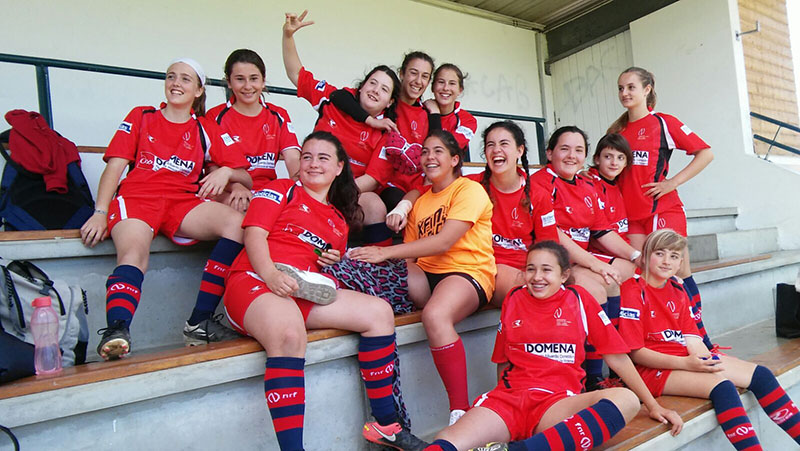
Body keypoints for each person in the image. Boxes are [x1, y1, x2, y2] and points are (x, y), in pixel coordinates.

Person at [223, 131, 426, 450]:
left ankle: (386, 425)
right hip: (255, 280)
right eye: (306, 157)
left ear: (338, 168)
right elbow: (255, 237)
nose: (313, 163)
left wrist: (329, 261)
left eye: (322, 158)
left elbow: (323, 263)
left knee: (379, 312)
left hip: (299, 288)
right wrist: (270, 273)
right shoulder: (280, 189)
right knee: (290, 334)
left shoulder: (338, 220)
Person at [424, 241, 682, 451]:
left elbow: (618, 358)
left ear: (564, 275)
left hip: (556, 403)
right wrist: (495, 411)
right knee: (446, 441)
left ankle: (518, 450)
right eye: (530, 269)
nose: (537, 277)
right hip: (510, 401)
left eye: (546, 270)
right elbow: (503, 362)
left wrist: (653, 405)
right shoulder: (514, 298)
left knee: (625, 399)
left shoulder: (581, 300)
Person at [79, 58, 252, 359]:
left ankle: (199, 321)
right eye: (171, 76)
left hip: (182, 202)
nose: (176, 83)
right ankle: (118, 329)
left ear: (199, 90)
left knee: (238, 226)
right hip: (137, 199)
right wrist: (100, 211)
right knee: (134, 254)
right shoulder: (142, 116)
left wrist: (229, 176)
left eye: (186, 79)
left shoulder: (205, 127)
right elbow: (116, 166)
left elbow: (245, 174)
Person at [350, 130, 495, 426]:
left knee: (435, 315)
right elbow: (410, 260)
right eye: (425, 152)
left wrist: (384, 252)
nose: (429, 157)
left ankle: (459, 412)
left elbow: (444, 242)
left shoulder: (469, 189)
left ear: (455, 159)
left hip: (467, 272)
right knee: (370, 272)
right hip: (427, 274)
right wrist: (378, 262)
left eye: (438, 151)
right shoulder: (420, 201)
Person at [617, 229, 800, 450]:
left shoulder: (677, 288)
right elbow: (635, 353)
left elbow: (692, 338)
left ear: (680, 263)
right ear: (645, 257)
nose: (666, 261)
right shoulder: (633, 291)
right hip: (652, 370)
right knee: (723, 387)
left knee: (761, 375)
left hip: (685, 360)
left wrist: (704, 362)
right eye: (660, 254)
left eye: (674, 256)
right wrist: (688, 364)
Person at [609, 67, 715, 348]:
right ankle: (656, 340)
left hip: (662, 210)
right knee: (641, 274)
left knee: (679, 273)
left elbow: (706, 153)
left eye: (631, 87)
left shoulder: (663, 123)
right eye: (620, 88)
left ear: (647, 89)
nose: (624, 93)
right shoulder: (617, 130)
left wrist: (673, 182)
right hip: (630, 216)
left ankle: (701, 340)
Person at [530, 126, 640, 387]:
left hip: (580, 257)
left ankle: (613, 364)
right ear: (549, 152)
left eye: (578, 150)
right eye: (564, 149)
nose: (572, 156)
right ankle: (592, 376)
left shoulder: (585, 185)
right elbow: (554, 235)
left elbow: (602, 231)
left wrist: (637, 254)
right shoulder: (541, 182)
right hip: (553, 260)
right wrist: (595, 263)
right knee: (598, 288)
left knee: (625, 270)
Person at [281, 10, 400, 247]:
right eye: (372, 83)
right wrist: (288, 36)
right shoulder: (334, 100)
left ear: (390, 102)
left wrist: (336, 192)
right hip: (311, 182)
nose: (375, 90)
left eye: (384, 89)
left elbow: (373, 179)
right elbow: (296, 74)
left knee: (375, 204)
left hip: (348, 193)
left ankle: (380, 268)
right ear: (362, 85)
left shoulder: (387, 132)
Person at [465, 121, 558, 306]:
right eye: (490, 145)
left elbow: (549, 246)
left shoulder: (538, 195)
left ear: (519, 150)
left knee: (576, 287)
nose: (496, 150)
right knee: (531, 291)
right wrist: (404, 205)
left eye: (504, 144)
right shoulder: (470, 186)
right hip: (485, 268)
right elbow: (427, 190)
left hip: (527, 270)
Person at [205, 48, 301, 212]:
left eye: (254, 78)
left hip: (268, 193)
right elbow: (212, 167)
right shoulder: (215, 116)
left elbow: (293, 159)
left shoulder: (278, 115)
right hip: (229, 191)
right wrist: (236, 186)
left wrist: (300, 189)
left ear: (263, 81)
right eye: (240, 79)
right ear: (229, 82)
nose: (248, 86)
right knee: (240, 207)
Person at [583, 133, 633, 326]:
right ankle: (616, 331)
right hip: (594, 251)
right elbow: (597, 234)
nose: (614, 163)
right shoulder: (590, 183)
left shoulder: (620, 185)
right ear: (597, 159)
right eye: (608, 156)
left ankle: (632, 332)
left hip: (616, 249)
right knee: (633, 273)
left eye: (620, 158)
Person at [424, 63, 477, 152]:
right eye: (441, 82)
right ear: (432, 87)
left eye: (452, 83)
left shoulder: (468, 120)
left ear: (460, 90)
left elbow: (444, 150)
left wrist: (435, 114)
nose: (445, 88)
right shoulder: (420, 112)